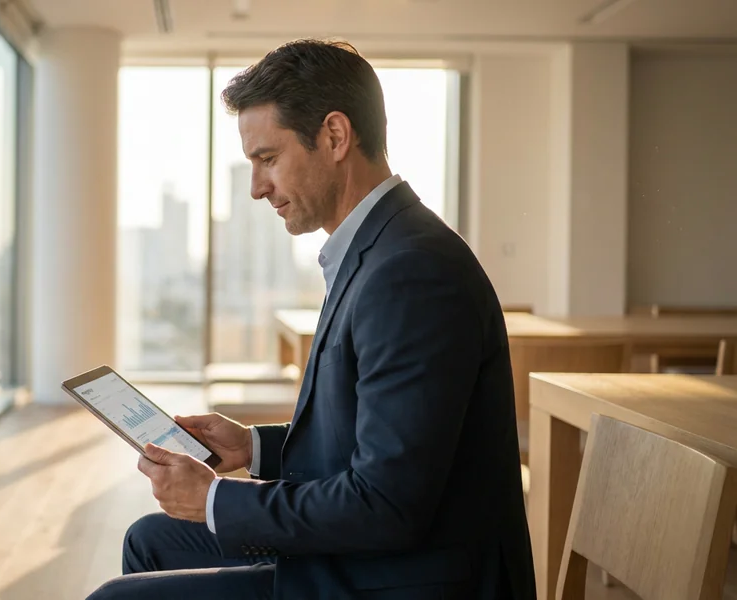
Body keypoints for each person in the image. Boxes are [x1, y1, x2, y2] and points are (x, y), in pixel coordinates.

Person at [88, 39, 535, 600]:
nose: (256, 188)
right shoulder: (381, 248)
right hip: (383, 556)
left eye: (267, 159)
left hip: (408, 578)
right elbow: (374, 438)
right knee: (152, 538)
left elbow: (386, 505)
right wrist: (252, 448)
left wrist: (214, 500)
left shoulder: (411, 273)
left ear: (335, 137)